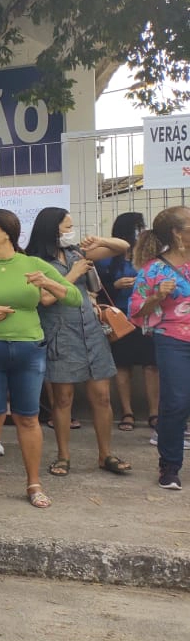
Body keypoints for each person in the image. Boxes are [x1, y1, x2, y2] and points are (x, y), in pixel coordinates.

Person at [0, 209, 81, 509]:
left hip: (28, 350)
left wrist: (48, 283)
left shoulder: (32, 264)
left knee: (28, 417)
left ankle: (33, 483)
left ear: (7, 231)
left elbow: (73, 298)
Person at [26, 207, 130, 477]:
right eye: (65, 227)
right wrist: (72, 274)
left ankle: (105, 454)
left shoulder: (76, 253)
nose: (69, 232)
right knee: (63, 399)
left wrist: (101, 241)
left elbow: (123, 246)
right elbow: (46, 299)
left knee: (103, 397)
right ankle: (63, 456)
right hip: (60, 335)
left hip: (91, 333)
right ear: (51, 229)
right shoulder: (33, 261)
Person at [130, 205, 190, 491]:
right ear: (177, 234)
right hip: (173, 340)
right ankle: (169, 466)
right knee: (176, 402)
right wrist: (156, 296)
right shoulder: (153, 269)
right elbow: (137, 312)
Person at [97, 212, 159, 433]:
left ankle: (154, 413)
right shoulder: (106, 258)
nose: (140, 231)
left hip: (146, 316)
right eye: (136, 227)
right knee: (122, 366)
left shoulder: (151, 255)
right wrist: (116, 284)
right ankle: (127, 412)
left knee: (151, 365)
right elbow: (98, 289)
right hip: (119, 318)